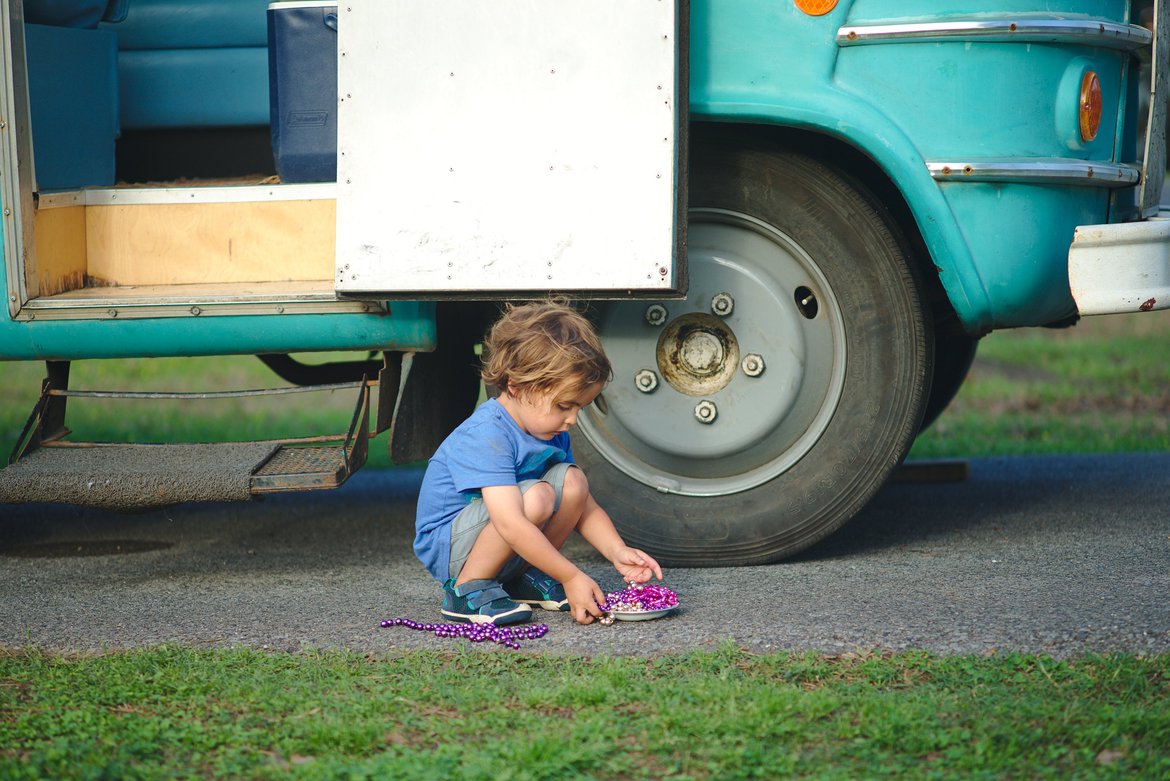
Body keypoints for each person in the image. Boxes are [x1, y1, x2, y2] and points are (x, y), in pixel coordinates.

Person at [413, 299, 663, 626]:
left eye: (579, 409)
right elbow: (510, 523)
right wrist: (571, 576)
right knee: (537, 496)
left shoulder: (549, 430)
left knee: (572, 482)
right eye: (564, 406)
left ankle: (522, 578)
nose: (572, 420)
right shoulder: (488, 433)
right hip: (452, 546)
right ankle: (467, 590)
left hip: (501, 529)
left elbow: (584, 506)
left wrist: (617, 551)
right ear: (517, 386)